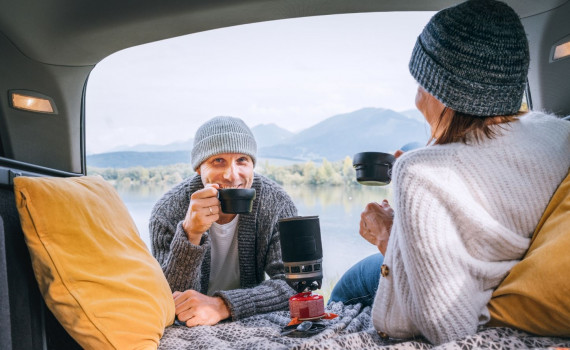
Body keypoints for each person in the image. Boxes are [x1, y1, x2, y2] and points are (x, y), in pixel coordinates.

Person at [330, 0, 570, 345]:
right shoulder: (557, 132)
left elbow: (449, 329)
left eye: (420, 85)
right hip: (484, 265)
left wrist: (388, 235)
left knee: (348, 286)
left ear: (442, 91)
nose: (416, 99)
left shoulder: (418, 174)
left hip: (458, 291)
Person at [150, 116, 298, 327]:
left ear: (252, 165)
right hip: (189, 325)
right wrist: (190, 234)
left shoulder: (276, 203)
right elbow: (169, 298)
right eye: (218, 161)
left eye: (242, 160)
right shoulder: (166, 212)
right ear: (199, 168)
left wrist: (222, 306)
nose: (232, 175)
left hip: (248, 318)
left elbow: (294, 284)